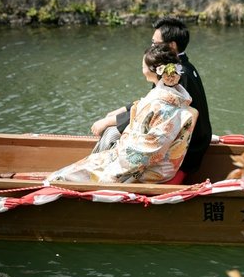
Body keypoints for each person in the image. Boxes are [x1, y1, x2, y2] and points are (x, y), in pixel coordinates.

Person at [46, 43, 198, 183]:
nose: (141, 67)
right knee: (80, 167)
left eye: (143, 63)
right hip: (135, 158)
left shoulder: (164, 107)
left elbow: (149, 151)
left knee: (62, 177)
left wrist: (112, 169)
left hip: (147, 169)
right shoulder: (166, 98)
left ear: (154, 69)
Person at [91, 17, 212, 175]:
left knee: (111, 133)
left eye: (155, 44)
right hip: (192, 139)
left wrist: (108, 121)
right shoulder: (181, 67)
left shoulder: (176, 74)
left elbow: (155, 111)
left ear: (171, 45)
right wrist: (121, 110)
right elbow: (152, 101)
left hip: (187, 149)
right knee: (115, 131)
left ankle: (96, 173)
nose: (151, 47)